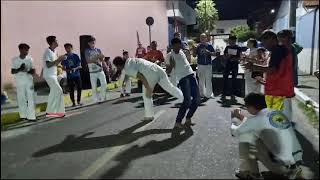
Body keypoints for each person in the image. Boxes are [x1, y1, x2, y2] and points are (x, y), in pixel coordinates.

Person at [231, 93, 304, 179]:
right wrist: (240, 117)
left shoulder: (256, 120)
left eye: (246, 106)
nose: (246, 109)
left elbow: (235, 132)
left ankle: (251, 173)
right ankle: (293, 170)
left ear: (251, 107)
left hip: (281, 167)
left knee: (245, 138)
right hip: (296, 161)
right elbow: (254, 124)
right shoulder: (275, 113)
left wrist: (234, 118)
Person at [244, 30, 294, 121]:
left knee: (276, 121)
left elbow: (272, 69)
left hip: (278, 92)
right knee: (279, 119)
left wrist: (254, 67)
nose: (264, 45)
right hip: (279, 90)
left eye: (264, 42)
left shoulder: (277, 50)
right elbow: (277, 70)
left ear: (271, 39)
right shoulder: (280, 50)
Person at [113, 56, 183, 121]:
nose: (117, 68)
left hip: (150, 75)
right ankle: (186, 99)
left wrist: (148, 88)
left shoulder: (128, 68)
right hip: (158, 69)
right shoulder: (129, 60)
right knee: (170, 88)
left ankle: (149, 116)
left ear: (119, 65)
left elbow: (141, 76)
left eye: (116, 66)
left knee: (146, 96)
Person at [166, 38, 201, 128]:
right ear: (172, 46)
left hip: (191, 75)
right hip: (183, 78)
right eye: (177, 46)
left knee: (197, 99)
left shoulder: (182, 52)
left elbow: (188, 61)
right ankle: (178, 121)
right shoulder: (169, 56)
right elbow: (168, 71)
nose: (179, 47)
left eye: (180, 45)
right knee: (187, 100)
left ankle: (188, 118)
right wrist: (172, 65)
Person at [11, 43, 36, 121]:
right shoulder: (14, 59)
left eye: (27, 50)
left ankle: (31, 116)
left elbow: (33, 71)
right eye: (25, 49)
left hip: (29, 82)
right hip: (20, 82)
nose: (27, 51)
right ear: (20, 50)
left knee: (31, 98)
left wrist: (27, 70)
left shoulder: (30, 59)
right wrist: (19, 69)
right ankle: (23, 116)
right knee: (21, 99)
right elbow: (12, 71)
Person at [42, 36, 66, 117]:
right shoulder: (47, 52)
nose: (57, 41)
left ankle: (49, 112)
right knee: (59, 91)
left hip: (54, 75)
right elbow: (48, 65)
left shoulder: (55, 51)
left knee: (53, 93)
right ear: (52, 42)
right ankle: (59, 112)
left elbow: (56, 63)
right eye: (56, 40)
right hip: (49, 75)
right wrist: (59, 59)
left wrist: (61, 62)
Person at [85, 36, 107, 103]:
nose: (93, 43)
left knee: (104, 84)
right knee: (94, 87)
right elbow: (88, 60)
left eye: (94, 41)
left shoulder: (98, 50)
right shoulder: (87, 51)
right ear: (89, 43)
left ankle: (102, 98)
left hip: (100, 70)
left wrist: (104, 62)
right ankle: (95, 100)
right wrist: (96, 57)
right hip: (92, 72)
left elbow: (101, 59)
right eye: (91, 42)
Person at [193, 33, 216, 99]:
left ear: (206, 38)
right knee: (201, 80)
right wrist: (194, 49)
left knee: (208, 80)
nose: (202, 39)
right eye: (201, 38)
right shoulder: (198, 46)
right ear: (200, 39)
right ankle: (201, 94)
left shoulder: (210, 46)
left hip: (208, 65)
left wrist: (209, 52)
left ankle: (209, 94)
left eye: (204, 37)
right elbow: (194, 55)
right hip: (200, 65)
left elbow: (214, 54)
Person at [222, 35, 242, 102]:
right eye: (230, 40)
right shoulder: (227, 47)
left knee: (234, 79)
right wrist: (227, 56)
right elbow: (224, 57)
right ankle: (224, 93)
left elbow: (240, 57)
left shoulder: (238, 47)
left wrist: (234, 59)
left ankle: (232, 94)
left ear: (235, 41)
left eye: (233, 40)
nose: (231, 42)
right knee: (225, 79)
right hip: (227, 65)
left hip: (235, 65)